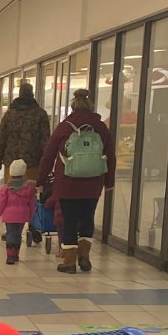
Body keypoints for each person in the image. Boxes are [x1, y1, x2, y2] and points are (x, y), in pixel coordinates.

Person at [36, 88, 115, 274]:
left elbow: (48, 155)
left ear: (73, 106)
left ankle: (69, 262)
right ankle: (85, 257)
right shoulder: (100, 127)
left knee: (69, 220)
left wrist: (41, 180)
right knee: (87, 219)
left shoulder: (65, 126)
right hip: (93, 183)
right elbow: (110, 155)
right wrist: (109, 181)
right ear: (90, 105)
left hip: (68, 184)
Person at [0, 81, 50, 246]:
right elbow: (46, 141)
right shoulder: (41, 114)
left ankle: (12, 228)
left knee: (13, 195)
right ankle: (33, 225)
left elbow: (0, 139)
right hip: (33, 162)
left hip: (12, 163)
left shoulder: (10, 114)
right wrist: (48, 163)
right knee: (32, 194)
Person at [0, 159, 37, 265]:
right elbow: (32, 203)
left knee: (10, 234)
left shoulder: (6, 188)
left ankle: (10, 256)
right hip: (22, 216)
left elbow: (1, 201)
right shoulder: (29, 188)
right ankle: (16, 254)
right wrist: (31, 215)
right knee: (18, 235)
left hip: (9, 216)